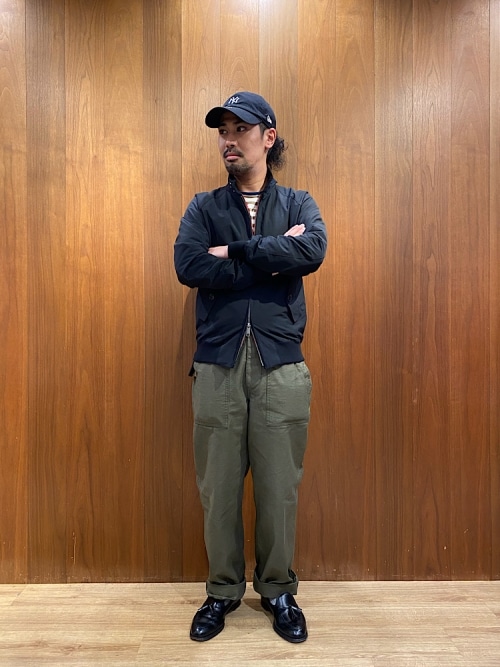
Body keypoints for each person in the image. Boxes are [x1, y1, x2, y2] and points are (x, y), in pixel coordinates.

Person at [174, 91, 327, 643]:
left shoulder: (300, 203)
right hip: (217, 365)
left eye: (240, 129)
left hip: (280, 365)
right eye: (223, 131)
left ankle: (279, 589)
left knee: (279, 487)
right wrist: (271, 256)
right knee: (217, 488)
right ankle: (221, 592)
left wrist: (234, 251)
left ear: (268, 136)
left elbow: (312, 250)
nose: (229, 140)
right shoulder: (203, 207)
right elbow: (188, 265)